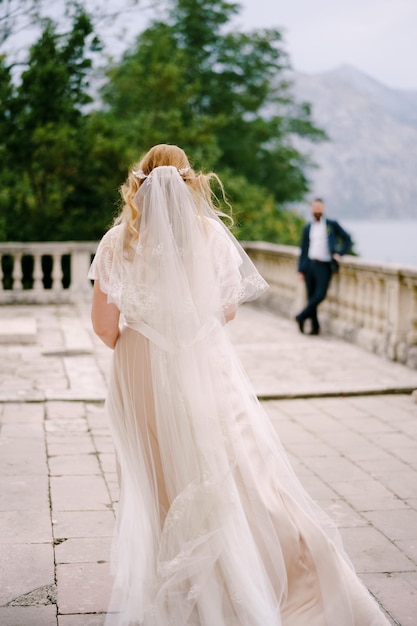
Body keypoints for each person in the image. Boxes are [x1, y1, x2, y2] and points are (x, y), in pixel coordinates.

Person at [89, 144, 389, 626]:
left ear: (138, 185)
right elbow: (226, 310)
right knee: (238, 472)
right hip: (203, 363)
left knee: (158, 482)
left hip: (138, 369)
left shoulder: (117, 241)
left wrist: (146, 336)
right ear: (192, 184)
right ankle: (261, 580)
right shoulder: (211, 236)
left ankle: (177, 592)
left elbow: (104, 327)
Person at [295, 198, 352, 335]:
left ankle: (301, 316)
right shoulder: (308, 227)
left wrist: (339, 253)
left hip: (324, 266)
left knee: (320, 295)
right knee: (311, 296)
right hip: (309, 265)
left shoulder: (331, 225)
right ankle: (315, 327)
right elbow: (303, 249)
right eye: (315, 207)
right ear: (311, 209)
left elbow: (347, 239)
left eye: (319, 207)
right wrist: (301, 269)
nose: (317, 210)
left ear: (323, 209)